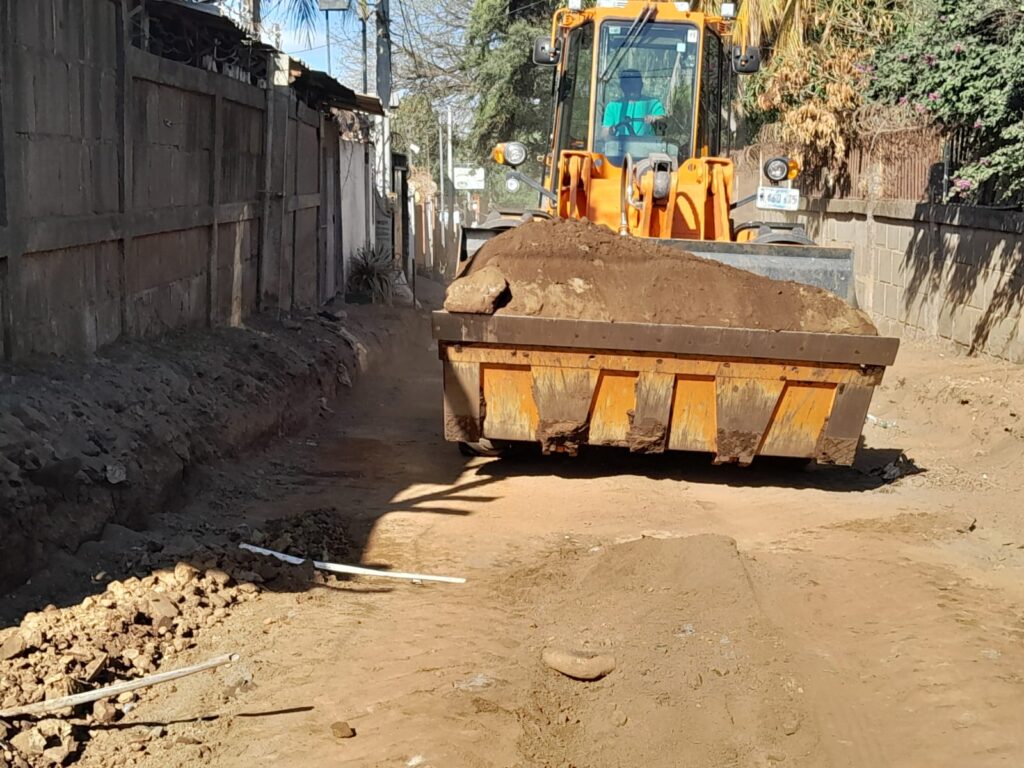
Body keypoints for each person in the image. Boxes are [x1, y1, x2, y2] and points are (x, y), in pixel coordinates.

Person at [601, 69, 666, 138]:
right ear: (621, 87)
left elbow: (664, 120)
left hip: (647, 147)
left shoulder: (653, 104)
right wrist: (610, 130)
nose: (631, 87)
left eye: (635, 83)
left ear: (641, 85)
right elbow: (604, 134)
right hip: (618, 147)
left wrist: (654, 118)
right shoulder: (612, 107)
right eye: (627, 83)